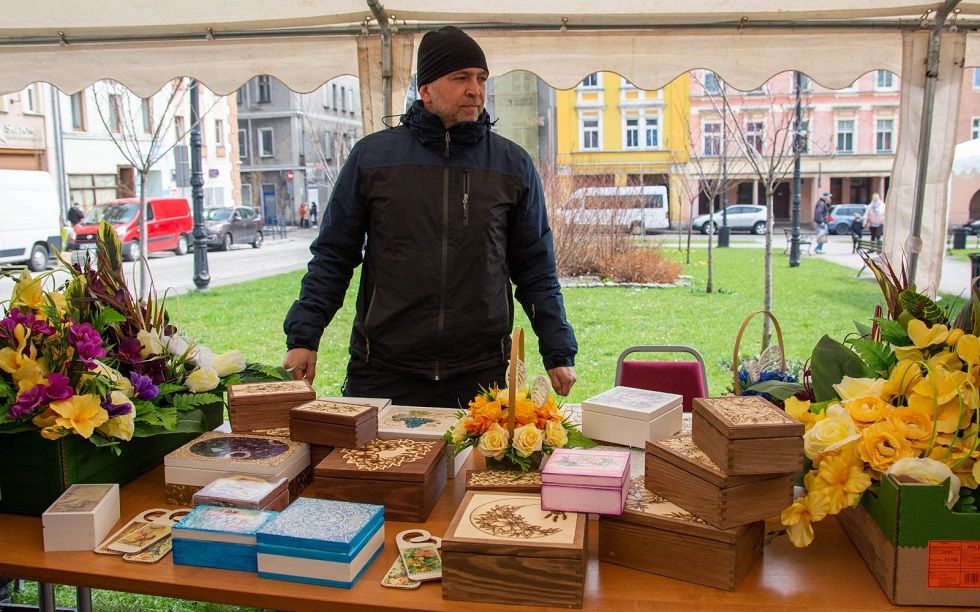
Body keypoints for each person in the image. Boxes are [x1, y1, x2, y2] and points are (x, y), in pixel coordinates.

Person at [282, 26, 577, 408]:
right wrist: (304, 337)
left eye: (481, 78)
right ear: (425, 90)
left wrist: (557, 348)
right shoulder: (373, 159)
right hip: (383, 370)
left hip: (479, 373)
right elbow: (334, 255)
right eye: (461, 78)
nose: (475, 90)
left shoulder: (512, 165)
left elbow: (536, 268)